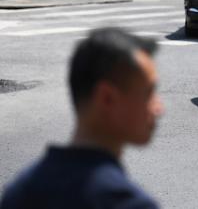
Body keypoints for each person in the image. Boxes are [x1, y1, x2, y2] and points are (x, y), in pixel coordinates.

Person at [1, 27, 163, 209]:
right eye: (148, 93)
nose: (159, 108)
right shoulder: (127, 203)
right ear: (106, 98)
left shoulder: (20, 191)